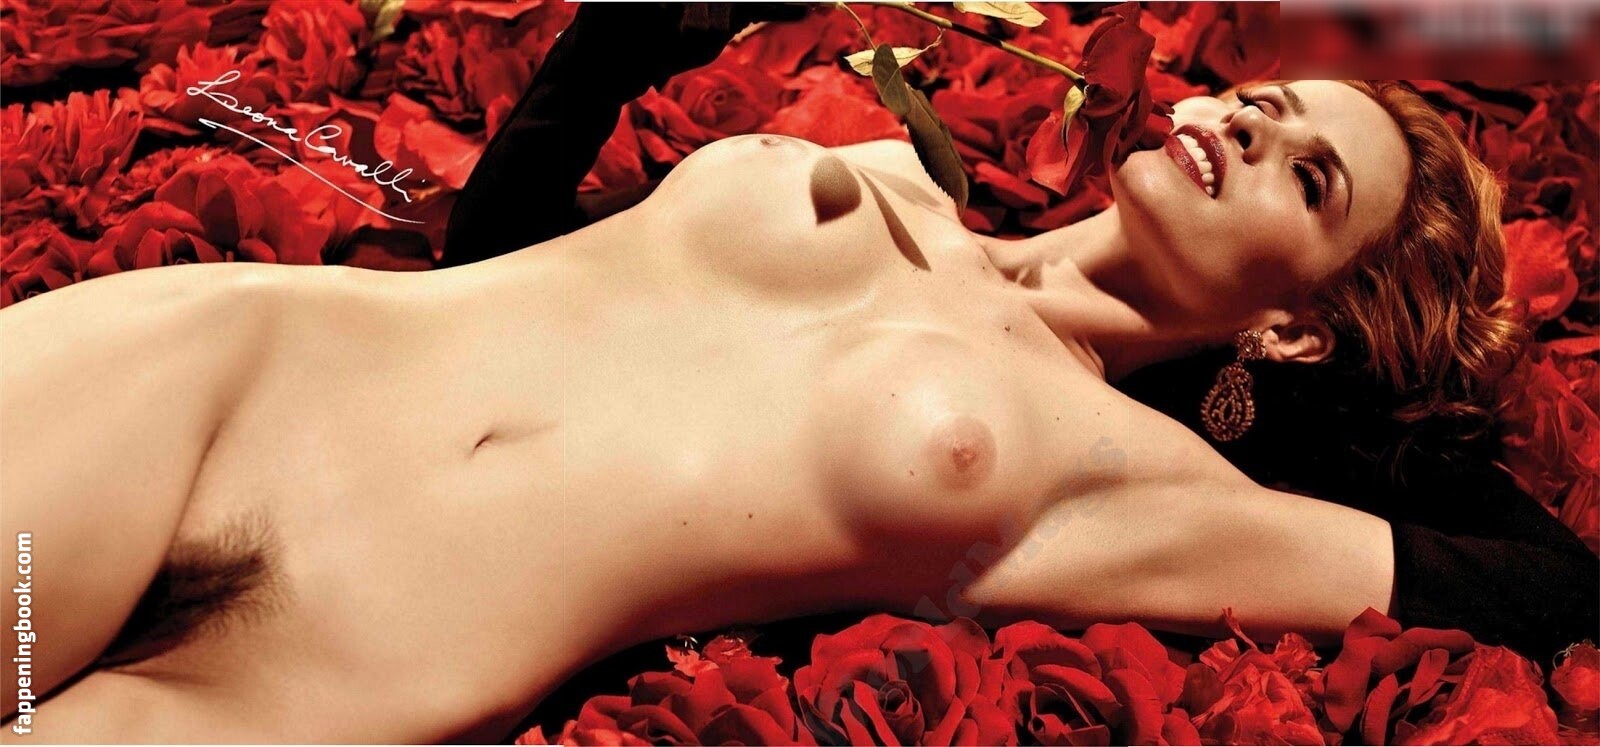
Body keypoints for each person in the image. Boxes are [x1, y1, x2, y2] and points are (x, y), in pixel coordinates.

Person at [1, 6, 1593, 744]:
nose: (1248, 129)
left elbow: (1550, 585)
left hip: (353, 657)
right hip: (230, 376)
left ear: (1302, 328)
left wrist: (1389, 416)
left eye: (1311, 179)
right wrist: (621, 41)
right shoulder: (892, 178)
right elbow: (498, 266)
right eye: (1269, 103)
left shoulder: (1136, 482)